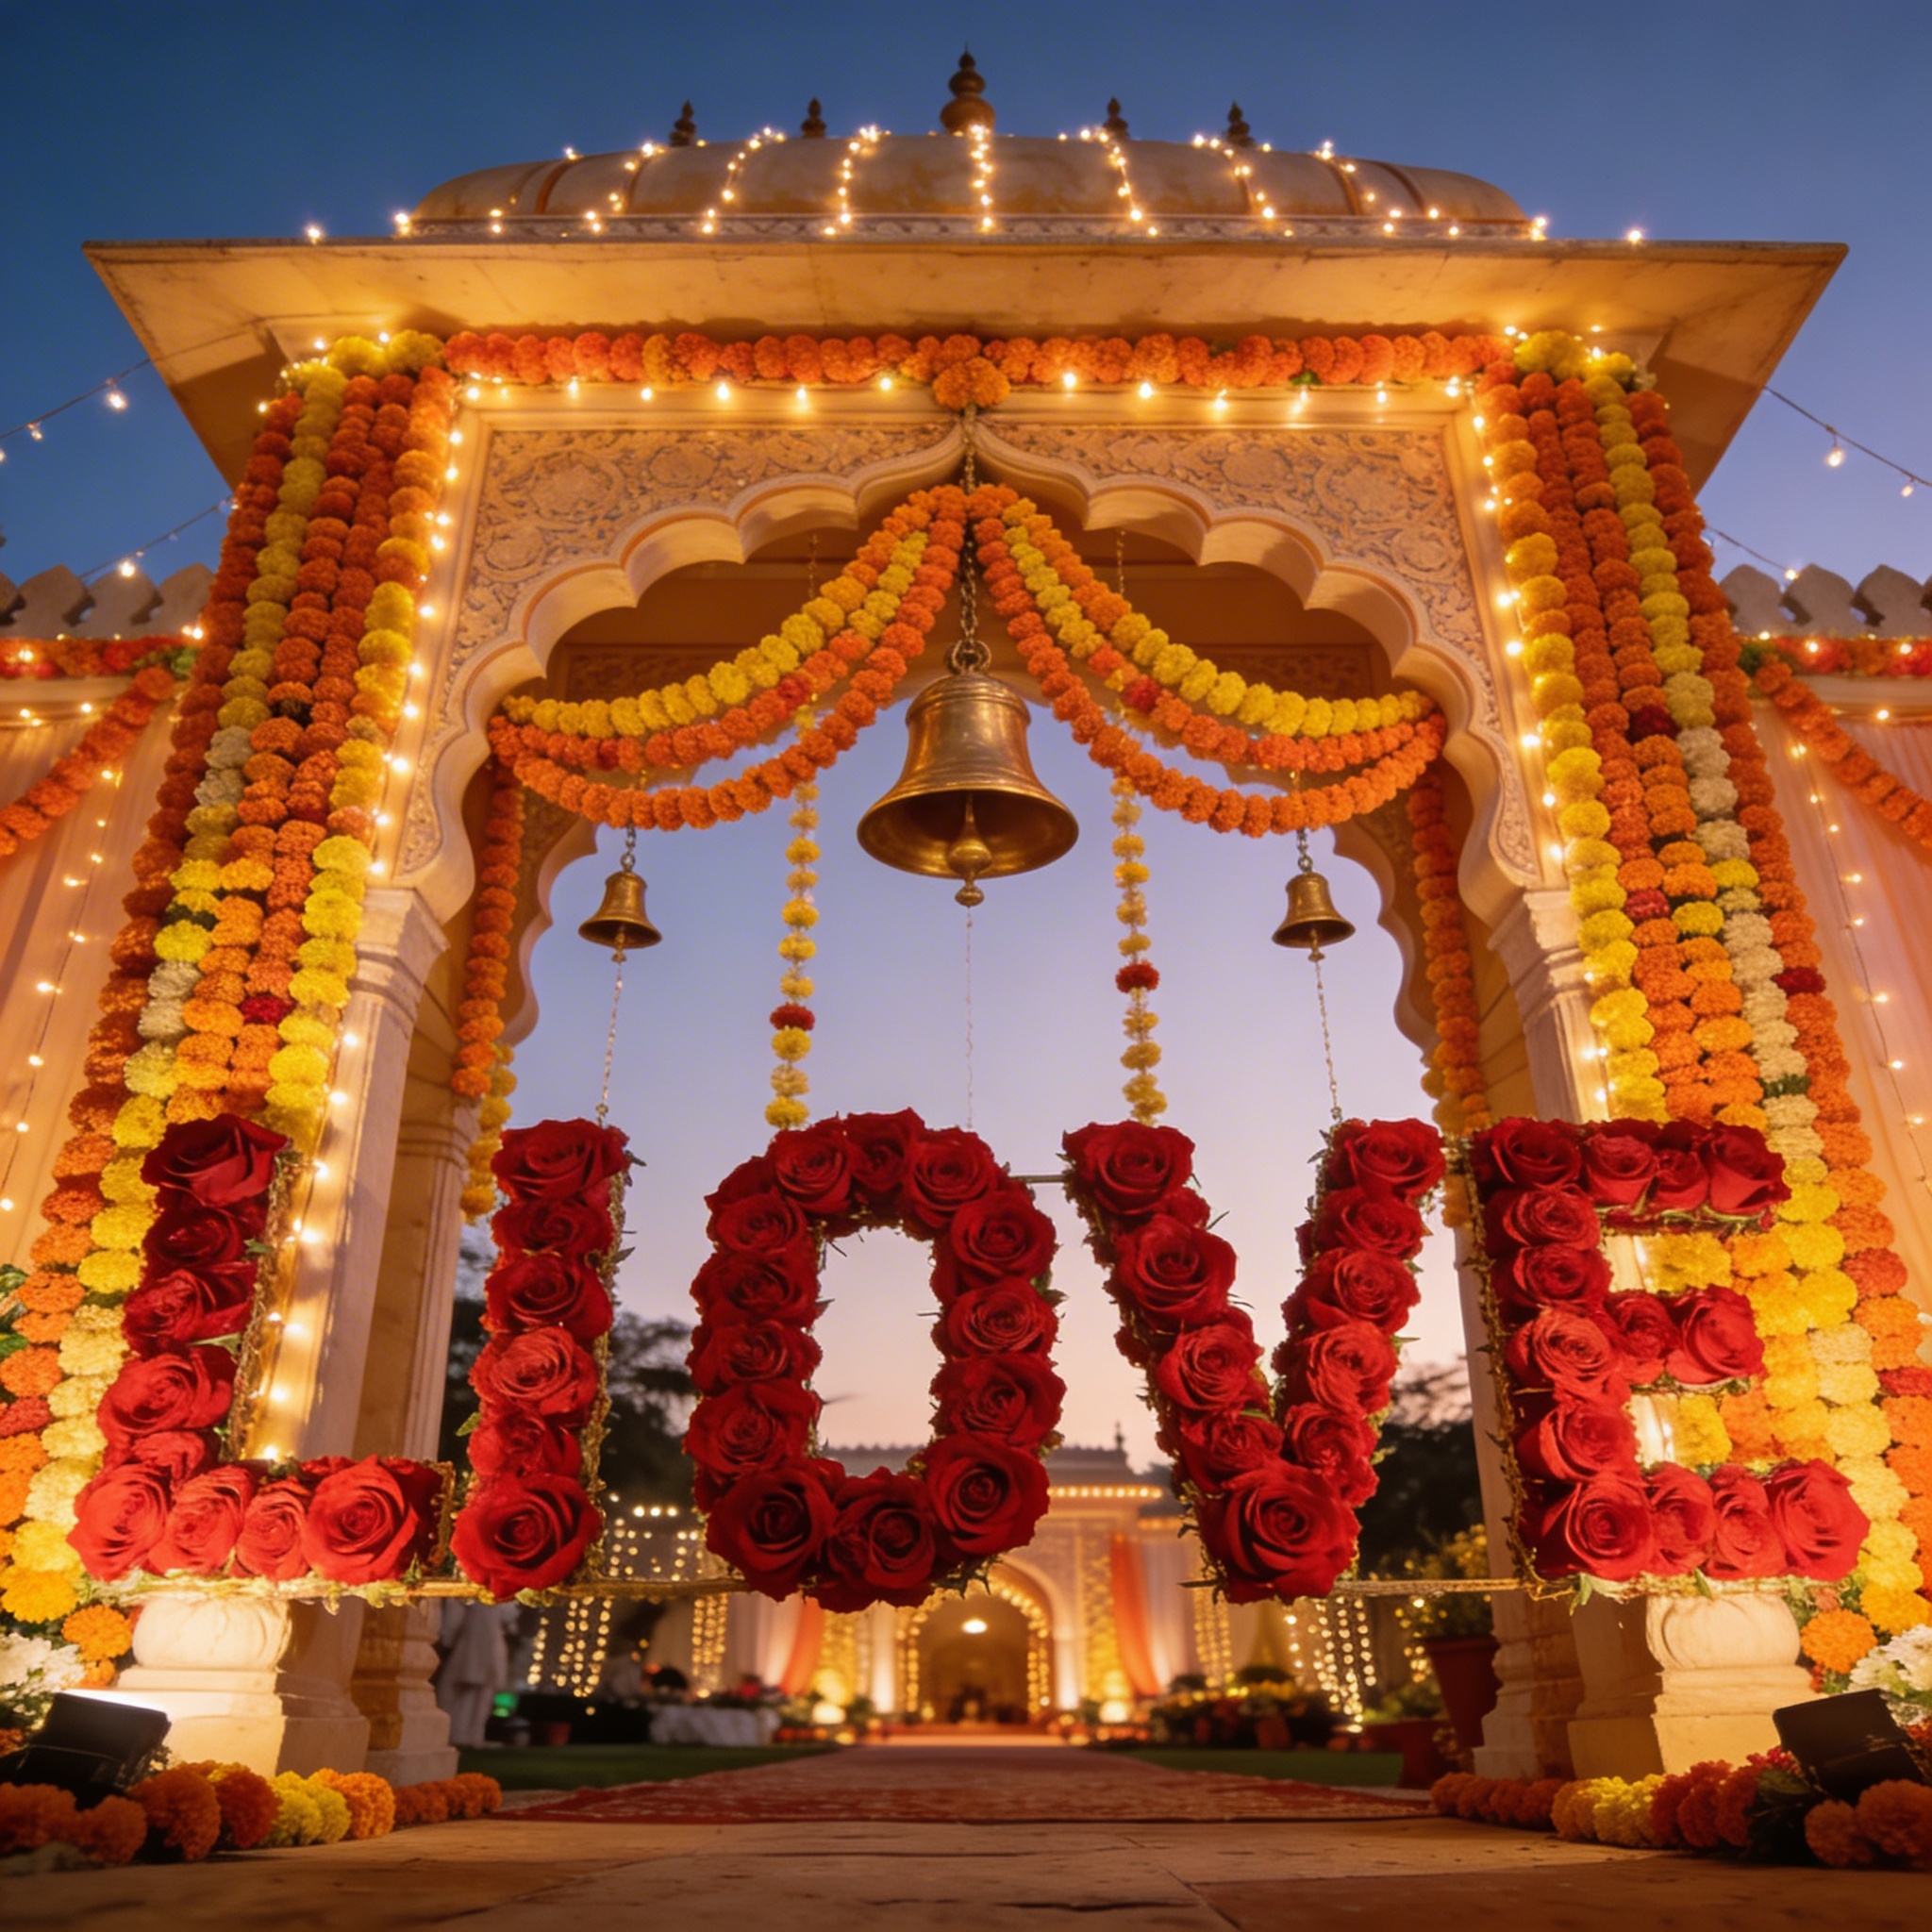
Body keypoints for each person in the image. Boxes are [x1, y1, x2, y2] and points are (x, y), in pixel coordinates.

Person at [435, 1600, 518, 1748]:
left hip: (483, 1643)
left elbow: (509, 1615)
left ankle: (471, 1735)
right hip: (472, 1643)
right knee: (458, 1691)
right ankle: (456, 1734)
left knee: (480, 1695)